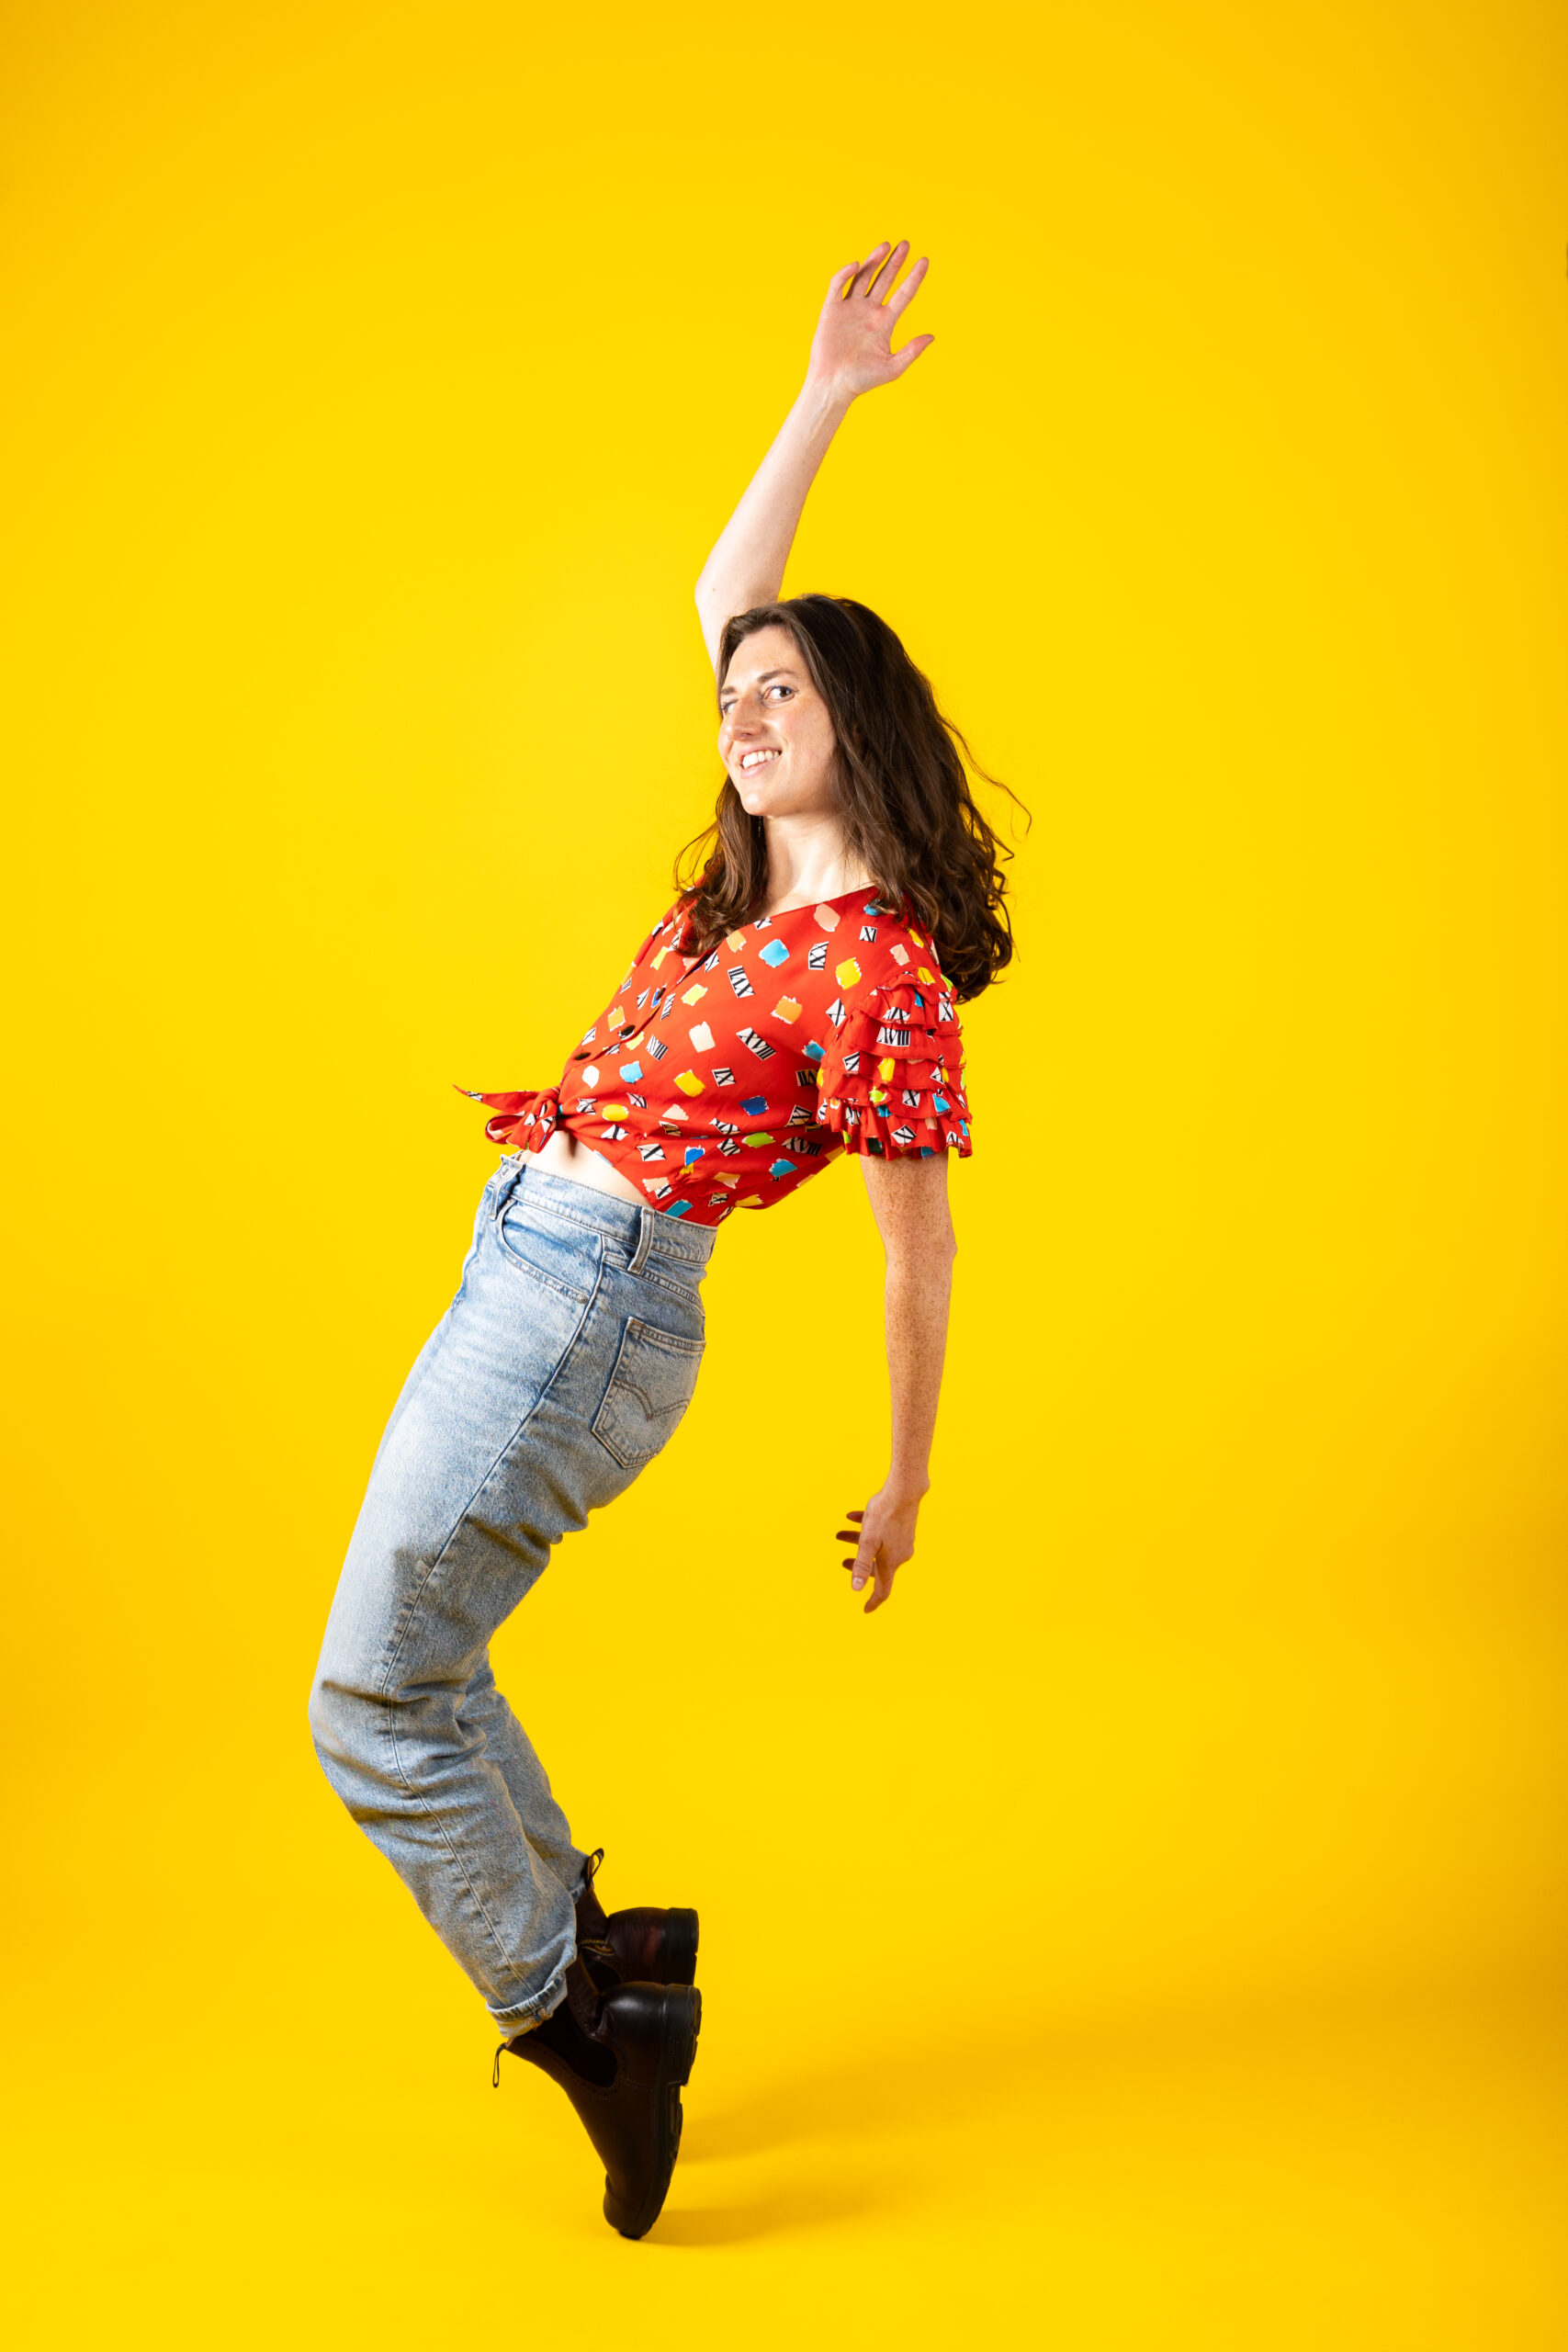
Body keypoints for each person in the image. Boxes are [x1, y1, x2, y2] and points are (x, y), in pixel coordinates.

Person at [308, 238, 1023, 2240]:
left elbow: (914, 1255)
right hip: (527, 1262)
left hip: (585, 1307)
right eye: (736, 693)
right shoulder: (739, 891)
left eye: (786, 689)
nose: (745, 706)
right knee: (420, 1666)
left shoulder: (875, 967)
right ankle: (606, 1952)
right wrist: (823, 397)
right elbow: (726, 588)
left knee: (367, 1701)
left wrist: (906, 1481)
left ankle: (578, 2012)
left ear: (857, 716)